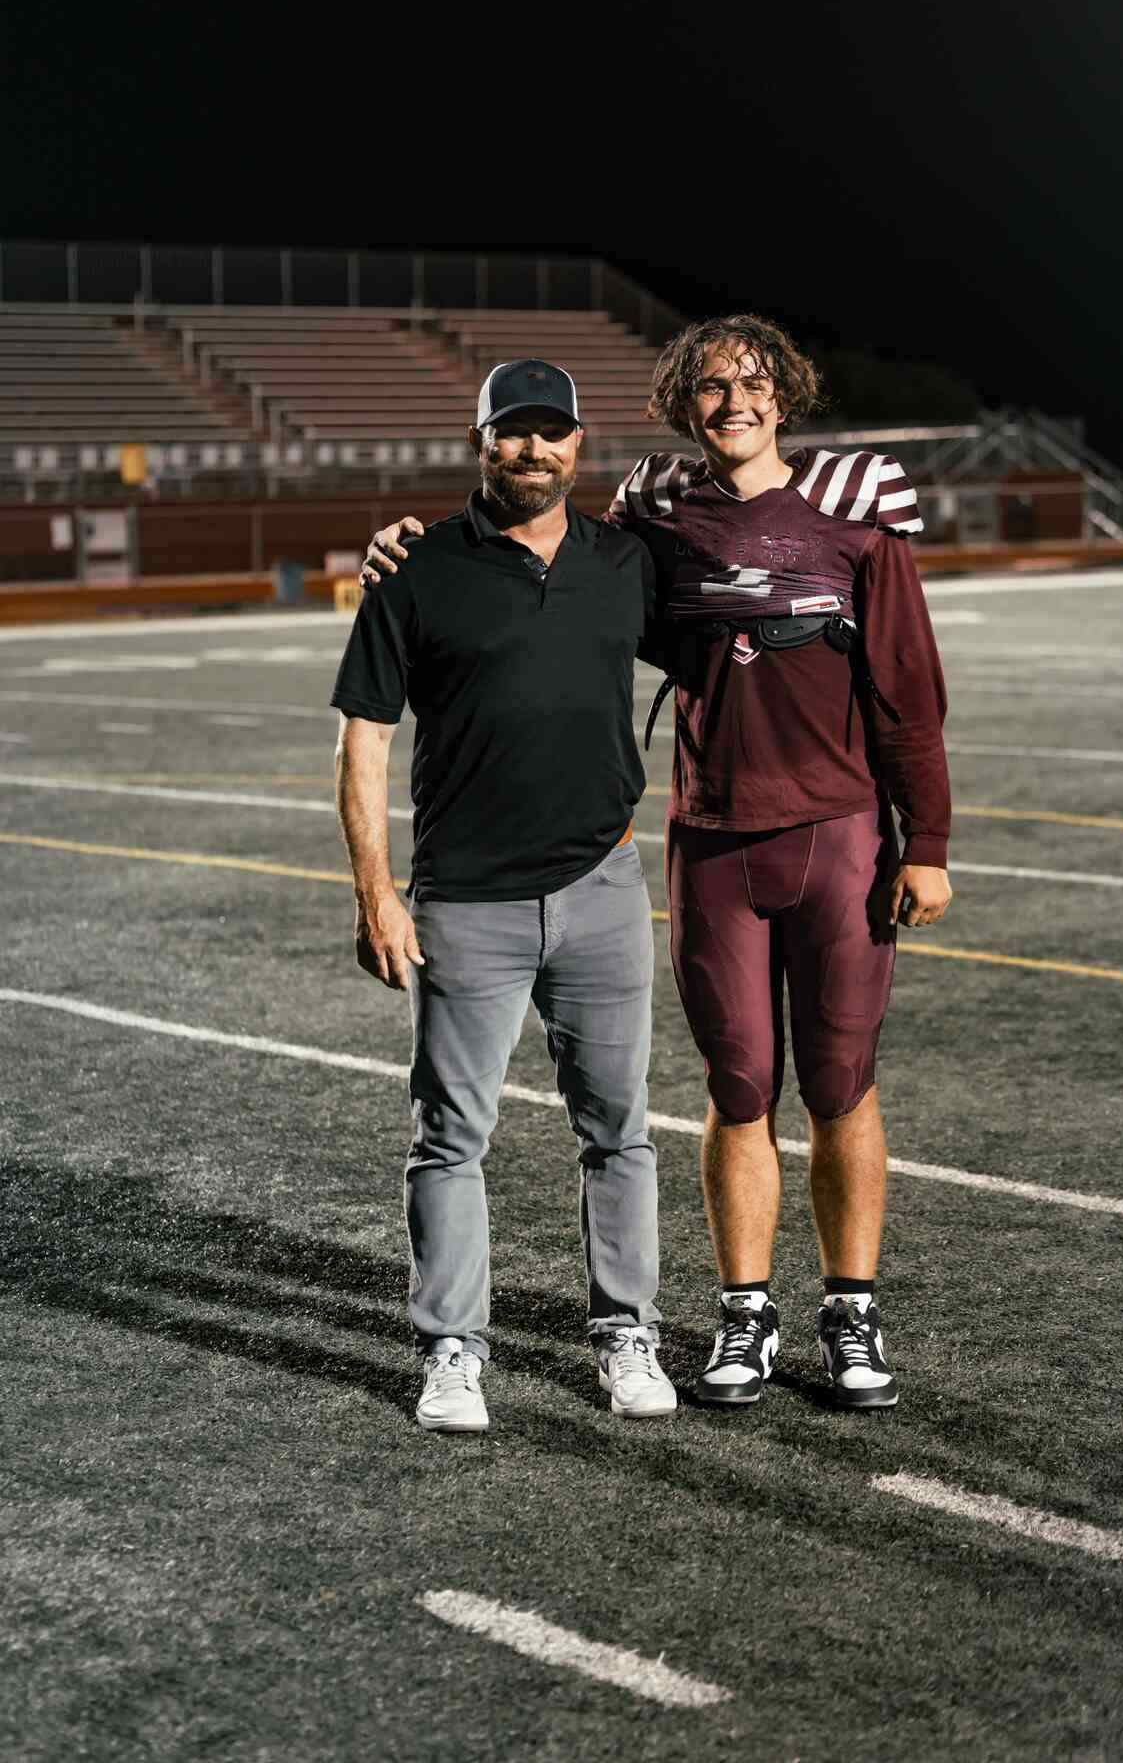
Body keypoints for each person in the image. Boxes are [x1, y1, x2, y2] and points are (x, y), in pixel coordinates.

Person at [361, 314, 952, 1415]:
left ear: (787, 393)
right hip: (713, 840)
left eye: (754, 383)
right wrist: (403, 550)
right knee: (737, 1090)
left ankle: (851, 1310)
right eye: (713, 388)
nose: (735, 402)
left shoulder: (857, 505)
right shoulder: (657, 519)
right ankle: (743, 1316)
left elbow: (909, 692)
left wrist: (933, 844)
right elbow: (553, 592)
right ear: (685, 406)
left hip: (841, 836)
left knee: (839, 1086)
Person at [331, 358, 677, 1433]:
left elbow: (729, 652)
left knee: (619, 1130)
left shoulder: (627, 561)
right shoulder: (416, 565)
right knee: (450, 1138)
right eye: (512, 434)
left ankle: (627, 1332)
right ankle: (451, 1350)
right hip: (466, 903)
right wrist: (376, 893)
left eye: (552, 434)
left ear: (582, 444)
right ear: (481, 442)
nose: (534, 452)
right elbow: (364, 739)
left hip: (603, 885)